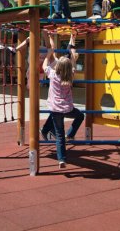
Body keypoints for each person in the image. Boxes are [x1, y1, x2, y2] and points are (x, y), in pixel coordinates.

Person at [43, 32, 84, 169]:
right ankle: (71, 134)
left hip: (55, 109)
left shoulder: (53, 75)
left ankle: (61, 159)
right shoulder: (71, 75)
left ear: (58, 67)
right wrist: (73, 39)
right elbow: (72, 57)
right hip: (67, 109)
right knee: (80, 115)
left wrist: (49, 54)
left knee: (59, 135)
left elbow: (44, 67)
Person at [41, 31, 79, 141]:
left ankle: (47, 129)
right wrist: (72, 38)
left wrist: (49, 36)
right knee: (58, 113)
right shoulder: (68, 71)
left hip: (56, 103)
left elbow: (55, 49)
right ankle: (47, 129)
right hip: (63, 103)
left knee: (56, 112)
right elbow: (69, 51)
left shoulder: (56, 66)